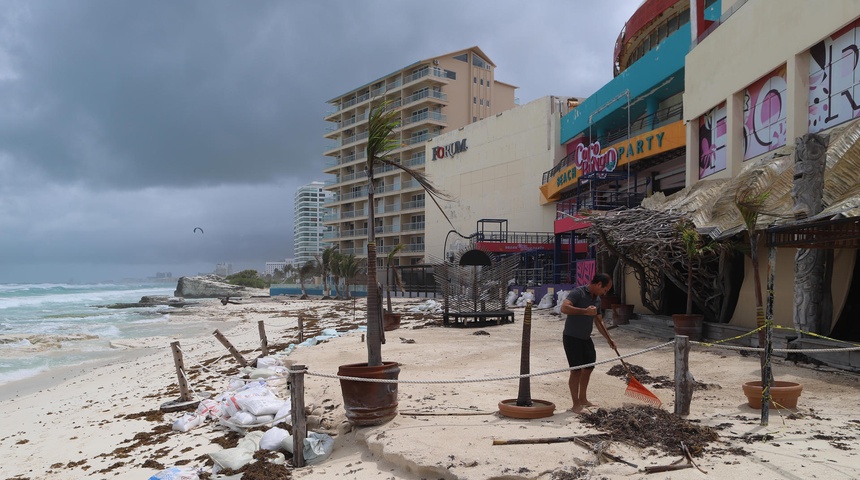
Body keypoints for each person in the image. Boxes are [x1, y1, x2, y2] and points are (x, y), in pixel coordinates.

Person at [560, 272, 617, 413]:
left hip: (586, 338)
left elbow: (599, 321)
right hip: (572, 337)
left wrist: (609, 338)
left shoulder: (597, 299)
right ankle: (575, 405)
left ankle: (583, 399)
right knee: (576, 371)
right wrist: (585, 311)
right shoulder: (578, 292)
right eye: (605, 289)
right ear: (598, 284)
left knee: (589, 368)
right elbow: (564, 308)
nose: (605, 293)